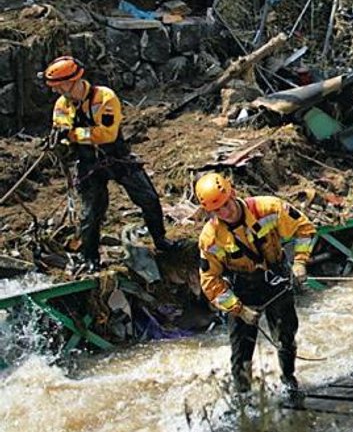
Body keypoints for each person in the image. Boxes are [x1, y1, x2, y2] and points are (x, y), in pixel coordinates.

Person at [42, 55, 179, 272]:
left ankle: (161, 240)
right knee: (90, 214)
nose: (56, 92)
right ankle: (90, 258)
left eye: (59, 86)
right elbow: (62, 130)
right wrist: (61, 139)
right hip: (87, 163)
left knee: (149, 198)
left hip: (116, 157)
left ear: (73, 82)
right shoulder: (62, 105)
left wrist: (73, 135)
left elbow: (106, 134)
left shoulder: (104, 98)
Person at [195, 172, 316, 406]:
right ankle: (243, 398)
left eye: (226, 204)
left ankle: (289, 379)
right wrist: (239, 310)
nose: (225, 212)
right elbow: (210, 281)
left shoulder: (268, 208)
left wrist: (300, 262)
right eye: (218, 210)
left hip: (275, 279)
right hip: (242, 288)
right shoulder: (211, 239)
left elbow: (304, 228)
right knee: (241, 350)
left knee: (285, 337)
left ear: (233, 194)